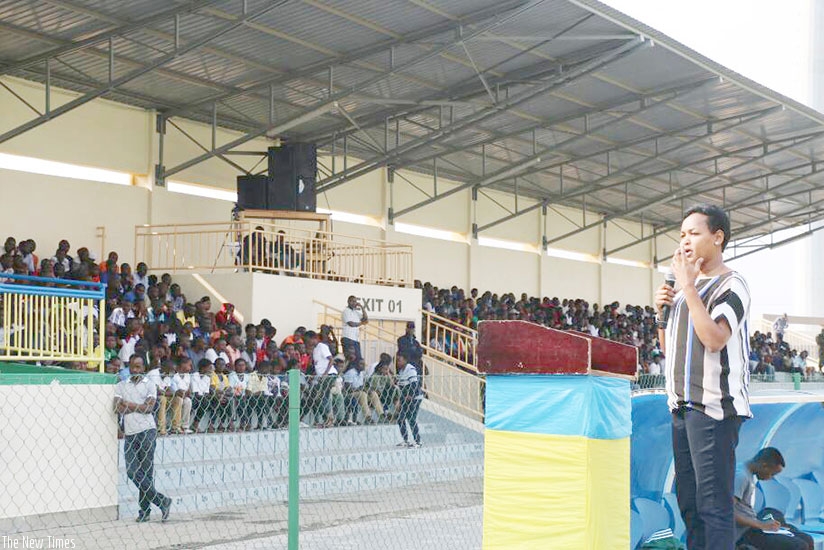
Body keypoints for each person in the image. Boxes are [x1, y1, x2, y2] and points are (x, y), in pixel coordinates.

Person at [654, 204, 752, 550]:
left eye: (694, 233)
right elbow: (671, 350)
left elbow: (714, 339)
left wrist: (689, 288)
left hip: (712, 408)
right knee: (690, 505)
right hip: (681, 407)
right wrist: (661, 312)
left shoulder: (732, 283)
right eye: (681, 235)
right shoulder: (684, 290)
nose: (685, 242)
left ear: (718, 237)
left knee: (714, 506)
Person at [113, 355, 172, 523]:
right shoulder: (121, 385)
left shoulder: (150, 385)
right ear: (129, 367)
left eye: (138, 367)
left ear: (143, 368)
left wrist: (128, 404)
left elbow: (149, 409)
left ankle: (144, 512)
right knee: (133, 471)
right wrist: (135, 406)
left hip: (147, 431)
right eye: (132, 367)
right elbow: (117, 407)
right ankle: (162, 501)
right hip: (130, 433)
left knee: (146, 473)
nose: (135, 370)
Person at [734, 447, 813, 550]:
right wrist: (761, 525)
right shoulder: (741, 476)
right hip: (744, 532)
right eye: (772, 474)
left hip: (753, 524)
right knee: (799, 545)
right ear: (764, 466)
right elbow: (728, 512)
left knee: (806, 537)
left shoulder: (748, 472)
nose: (770, 478)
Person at [395, 350, 422, 448]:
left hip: (414, 398)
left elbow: (414, 385)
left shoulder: (410, 369)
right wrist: (400, 400)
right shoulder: (401, 371)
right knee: (400, 418)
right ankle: (405, 440)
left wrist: (410, 396)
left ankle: (417, 441)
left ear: (405, 360)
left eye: (399, 360)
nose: (397, 363)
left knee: (411, 419)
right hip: (405, 398)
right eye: (397, 360)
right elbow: (401, 388)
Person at [341, 295, 368, 362]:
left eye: (355, 301)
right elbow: (351, 324)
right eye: (352, 301)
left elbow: (366, 319)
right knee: (349, 358)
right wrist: (361, 323)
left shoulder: (356, 312)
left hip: (355, 339)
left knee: (358, 359)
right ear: (348, 302)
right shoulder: (346, 311)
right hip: (347, 338)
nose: (354, 303)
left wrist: (362, 307)